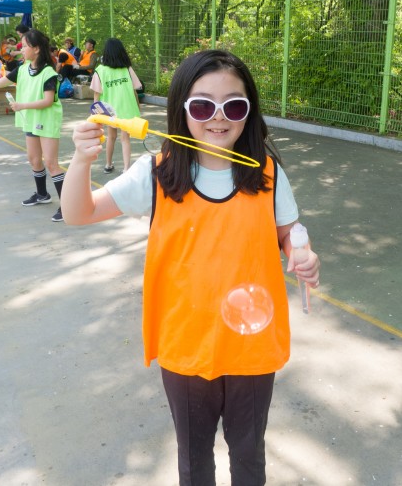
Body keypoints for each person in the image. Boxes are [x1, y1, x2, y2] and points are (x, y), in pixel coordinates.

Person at [61, 49, 321, 485]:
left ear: (249, 112)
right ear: (182, 109)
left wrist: (305, 258)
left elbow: (292, 237)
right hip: (185, 345)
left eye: (233, 106)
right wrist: (82, 161)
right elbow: (78, 212)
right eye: (202, 105)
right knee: (194, 459)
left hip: (252, 349)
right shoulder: (157, 173)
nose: (218, 118)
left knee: (248, 455)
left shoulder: (268, 175)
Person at [0, 29, 66, 222]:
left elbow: (48, 101)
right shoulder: (22, 69)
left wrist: (22, 105)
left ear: (37, 49)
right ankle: (42, 195)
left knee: (51, 163)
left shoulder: (48, 73)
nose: (21, 50)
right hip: (31, 118)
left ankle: (67, 206)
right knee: (33, 159)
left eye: (24, 46)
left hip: (46, 119)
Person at [91, 38, 142, 173]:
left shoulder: (100, 70)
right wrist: (138, 108)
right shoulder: (127, 69)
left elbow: (96, 96)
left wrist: (95, 114)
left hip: (109, 111)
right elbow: (135, 90)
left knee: (111, 137)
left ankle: (108, 165)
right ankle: (126, 169)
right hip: (128, 109)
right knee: (125, 139)